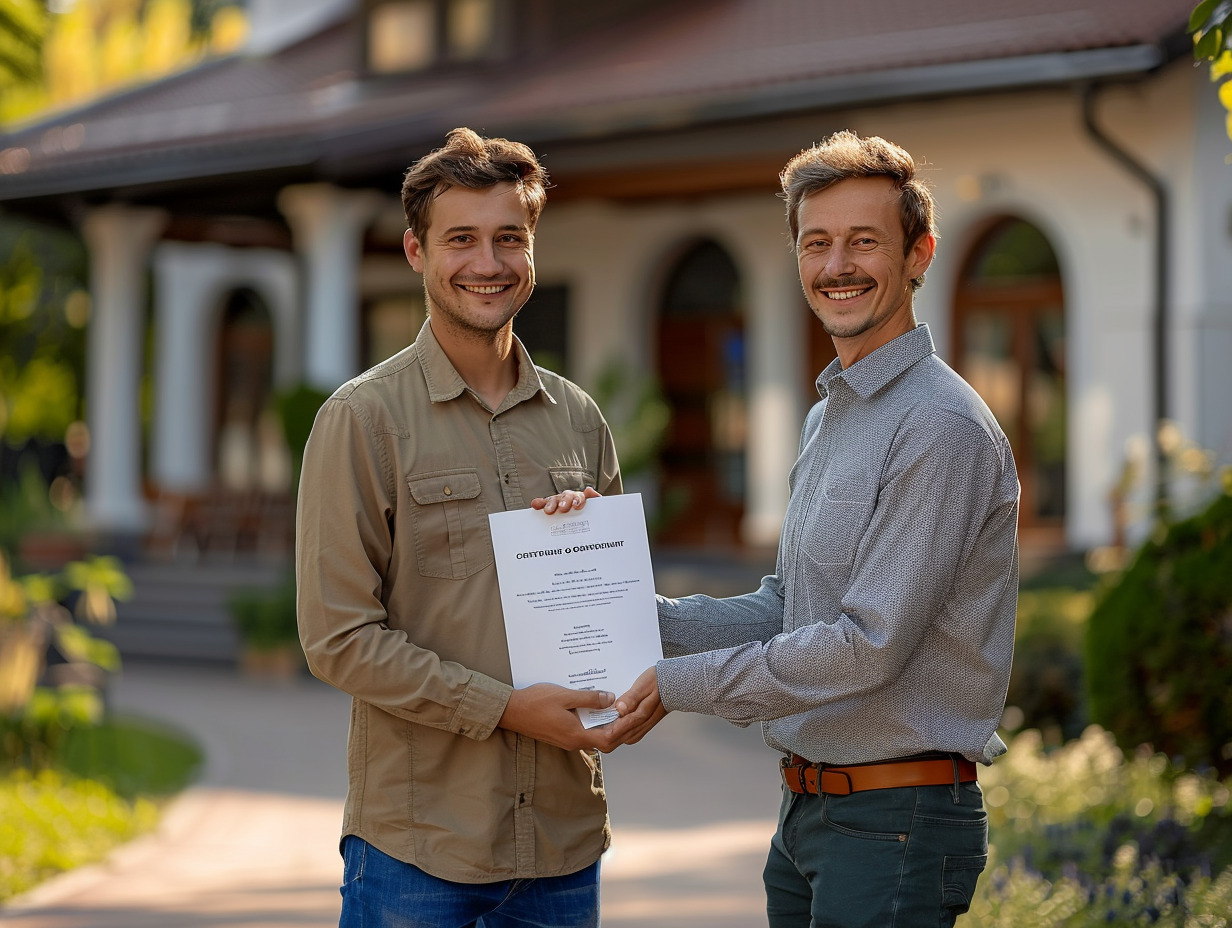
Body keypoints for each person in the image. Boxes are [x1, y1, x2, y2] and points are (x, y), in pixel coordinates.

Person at [541, 130, 1020, 927]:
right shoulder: (830, 415)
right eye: (817, 243)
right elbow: (790, 606)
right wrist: (627, 618)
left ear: (920, 254)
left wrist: (678, 683)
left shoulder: (938, 426)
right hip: (811, 816)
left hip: (894, 821)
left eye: (865, 242)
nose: (838, 266)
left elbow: (868, 644)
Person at [296, 127, 627, 928]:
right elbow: (337, 638)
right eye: (461, 240)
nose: (488, 263)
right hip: (417, 854)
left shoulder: (578, 419)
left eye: (509, 238)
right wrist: (507, 708)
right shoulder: (363, 419)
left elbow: (616, 624)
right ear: (416, 250)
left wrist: (623, 673)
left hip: (561, 847)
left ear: (533, 249)